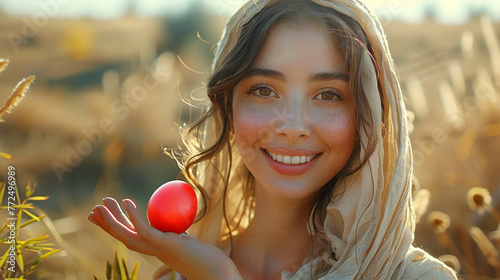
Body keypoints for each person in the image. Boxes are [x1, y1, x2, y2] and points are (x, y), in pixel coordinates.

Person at [88, 0, 458, 279]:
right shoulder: (181, 269)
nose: (292, 126)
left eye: (328, 94)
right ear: (227, 104)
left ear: (369, 115)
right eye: (264, 90)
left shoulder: (414, 277)